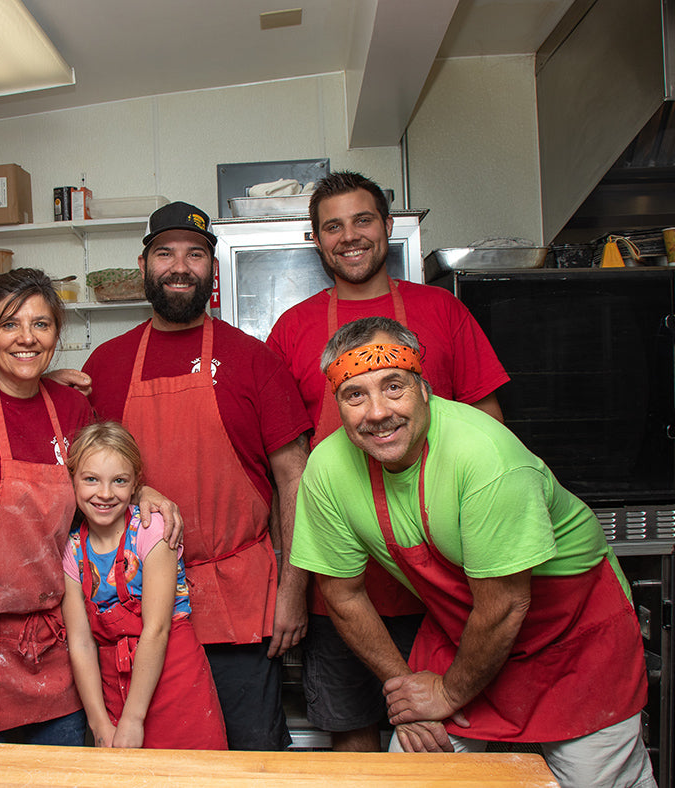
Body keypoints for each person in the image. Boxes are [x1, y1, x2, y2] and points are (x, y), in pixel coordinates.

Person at [291, 315, 656, 788]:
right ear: (337, 404)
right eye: (354, 394)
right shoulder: (326, 469)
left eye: (393, 386)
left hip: (571, 637)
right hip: (463, 630)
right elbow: (342, 596)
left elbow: (505, 604)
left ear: (424, 388)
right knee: (412, 773)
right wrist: (409, 695)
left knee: (596, 781)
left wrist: (447, 692)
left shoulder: (485, 456)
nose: (377, 412)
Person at [266, 170, 509, 751]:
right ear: (316, 239)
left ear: (388, 226)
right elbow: (289, 472)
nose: (349, 236)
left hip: (443, 586)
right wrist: (294, 588)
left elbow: (492, 430)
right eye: (333, 226)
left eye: (362, 220)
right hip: (340, 587)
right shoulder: (291, 329)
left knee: (445, 741)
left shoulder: (443, 312)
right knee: (354, 739)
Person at [82, 201, 313, 750]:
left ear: (212, 270)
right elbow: (82, 478)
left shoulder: (253, 359)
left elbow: (296, 481)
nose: (179, 266)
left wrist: (294, 591)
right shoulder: (106, 365)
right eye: (165, 253)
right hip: (131, 605)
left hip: (235, 601)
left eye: (195, 254)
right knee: (153, 761)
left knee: (249, 759)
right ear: (143, 266)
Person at [0, 268, 183, 745]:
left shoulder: (71, 408)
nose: (27, 338)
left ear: (57, 335)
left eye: (41, 324)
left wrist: (145, 492)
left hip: (56, 636)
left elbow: (107, 472)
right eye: (9, 324)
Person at [61, 421, 227, 750]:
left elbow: (157, 629)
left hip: (174, 679)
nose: (105, 493)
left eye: (119, 481)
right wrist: (99, 723)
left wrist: (134, 719)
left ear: (136, 482)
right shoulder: (71, 551)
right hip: (112, 687)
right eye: (91, 479)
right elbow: (80, 644)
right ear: (73, 481)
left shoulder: (152, 531)